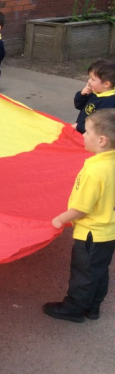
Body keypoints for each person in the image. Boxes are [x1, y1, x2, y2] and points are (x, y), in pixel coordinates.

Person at [44, 109, 115, 323]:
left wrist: (60, 219)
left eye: (88, 132)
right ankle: (93, 307)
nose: (83, 135)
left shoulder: (95, 171)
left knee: (83, 272)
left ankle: (74, 308)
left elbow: (82, 208)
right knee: (99, 271)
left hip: (91, 233)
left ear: (101, 140)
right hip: (108, 231)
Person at [73, 59, 115, 134]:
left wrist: (79, 127)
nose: (89, 81)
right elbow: (79, 106)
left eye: (93, 79)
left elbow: (99, 125)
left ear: (106, 84)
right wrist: (82, 95)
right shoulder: (95, 92)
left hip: (91, 135)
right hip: (82, 130)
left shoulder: (109, 103)